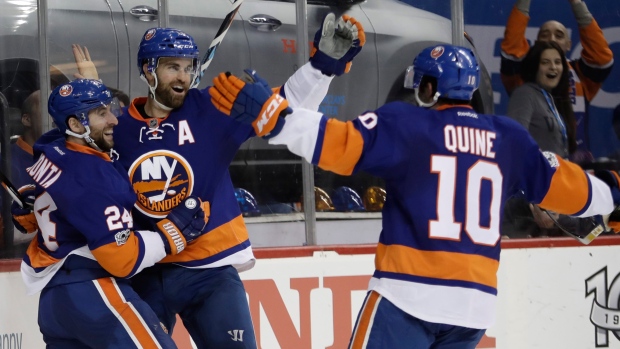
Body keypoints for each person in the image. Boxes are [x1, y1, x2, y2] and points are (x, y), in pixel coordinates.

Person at [210, 44, 615, 348]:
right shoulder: (507, 138)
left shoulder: (409, 125)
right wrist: (612, 188)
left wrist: (276, 116)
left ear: (428, 87)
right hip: (473, 308)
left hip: (408, 294)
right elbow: (572, 191)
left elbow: (337, 144)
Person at [64, 13, 364, 348]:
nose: (184, 75)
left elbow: (284, 107)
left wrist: (323, 65)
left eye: (188, 67)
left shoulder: (211, 107)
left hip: (210, 270)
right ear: (149, 70)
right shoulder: (118, 128)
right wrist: (91, 101)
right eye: (172, 67)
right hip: (145, 269)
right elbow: (76, 157)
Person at [18, 79, 208, 348]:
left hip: (53, 302)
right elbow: (122, 259)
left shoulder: (52, 146)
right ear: (74, 125)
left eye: (110, 110)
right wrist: (170, 236)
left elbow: (47, 191)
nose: (113, 120)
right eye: (101, 113)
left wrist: (29, 204)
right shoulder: (93, 180)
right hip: (92, 293)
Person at [500, 0, 614, 155]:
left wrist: (577, 4)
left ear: (569, 44)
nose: (551, 39)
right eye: (545, 35)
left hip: (577, 168)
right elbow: (511, 49)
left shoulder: (581, 76)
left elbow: (602, 59)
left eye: (559, 36)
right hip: (540, 168)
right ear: (537, 43)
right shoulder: (522, 76)